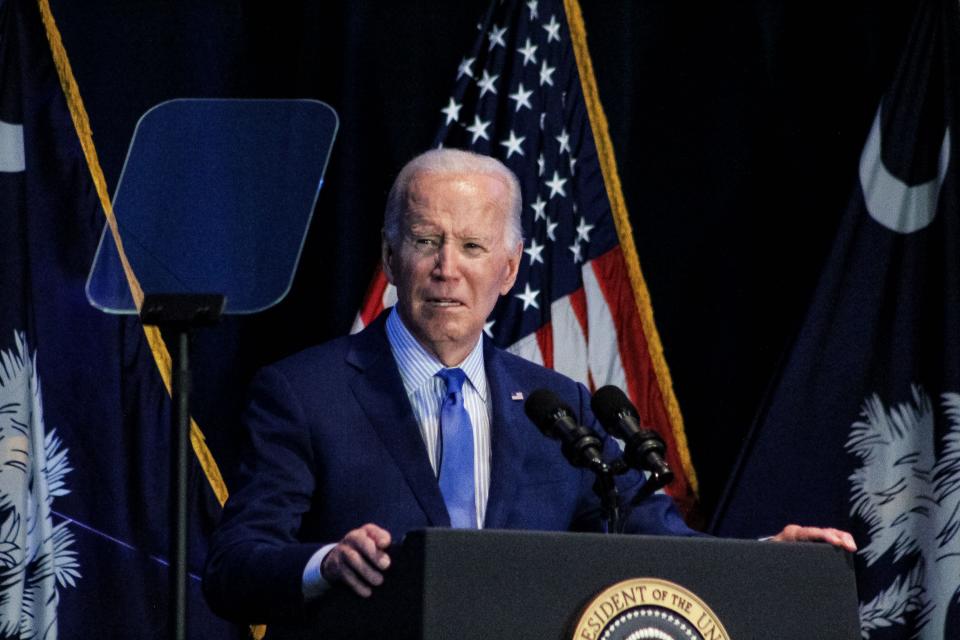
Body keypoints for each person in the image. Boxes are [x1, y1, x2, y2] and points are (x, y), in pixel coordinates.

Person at [203, 149, 855, 624]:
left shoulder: (559, 407)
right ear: (390, 255)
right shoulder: (304, 392)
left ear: (509, 268)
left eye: (472, 248)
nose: (445, 269)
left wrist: (767, 558)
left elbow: (653, 539)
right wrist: (324, 565)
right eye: (427, 240)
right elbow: (232, 568)